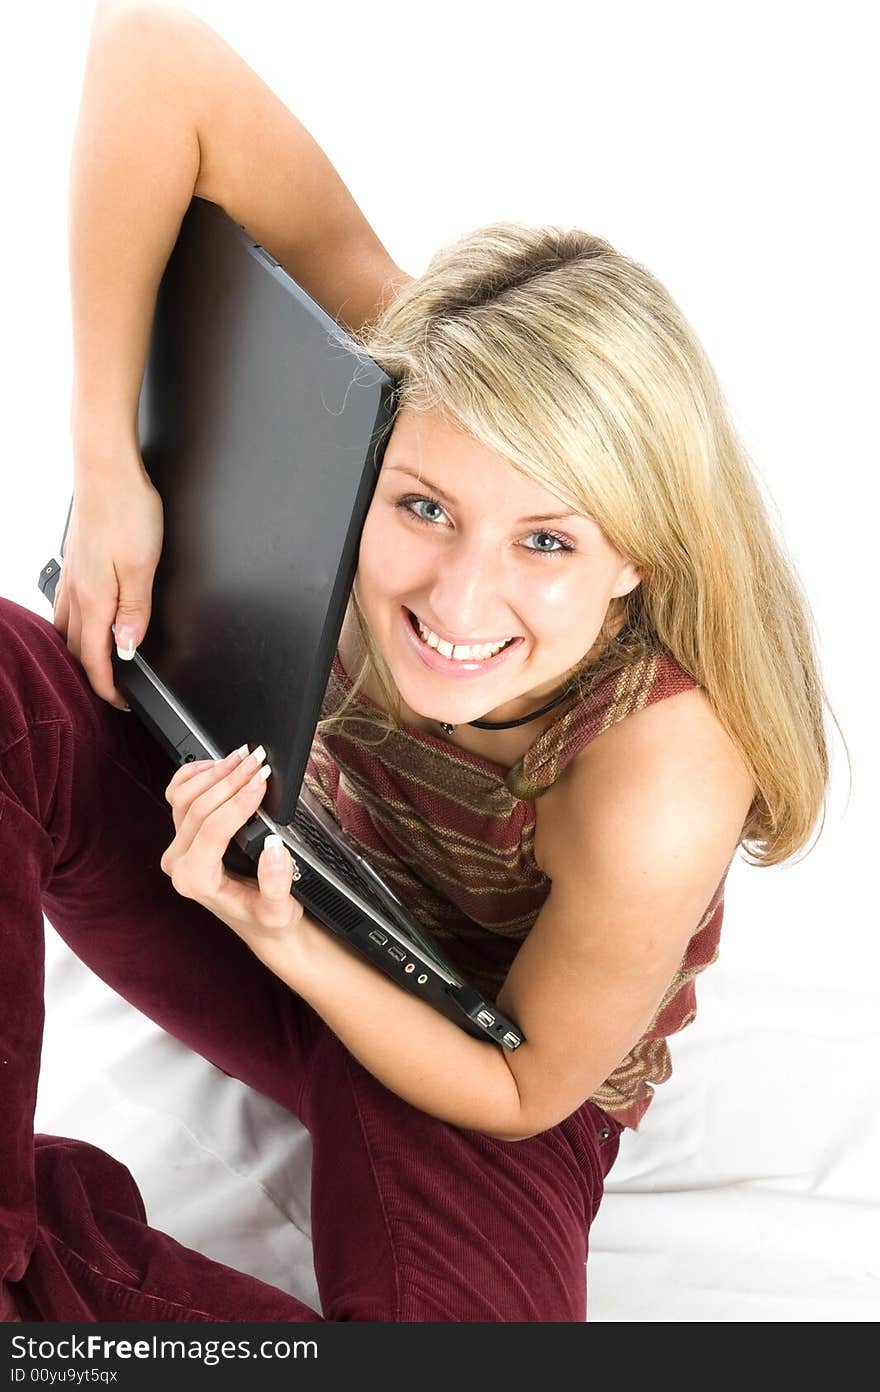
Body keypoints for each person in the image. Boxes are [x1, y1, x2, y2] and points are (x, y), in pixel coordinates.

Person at [0, 1, 841, 1323]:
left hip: (460, 1045)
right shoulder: (429, 386)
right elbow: (146, 45)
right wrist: (109, 462)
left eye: (548, 540)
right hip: (248, 841)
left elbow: (519, 1088)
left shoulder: (666, 765)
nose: (460, 595)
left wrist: (272, 932)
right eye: (423, 508)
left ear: (641, 555)